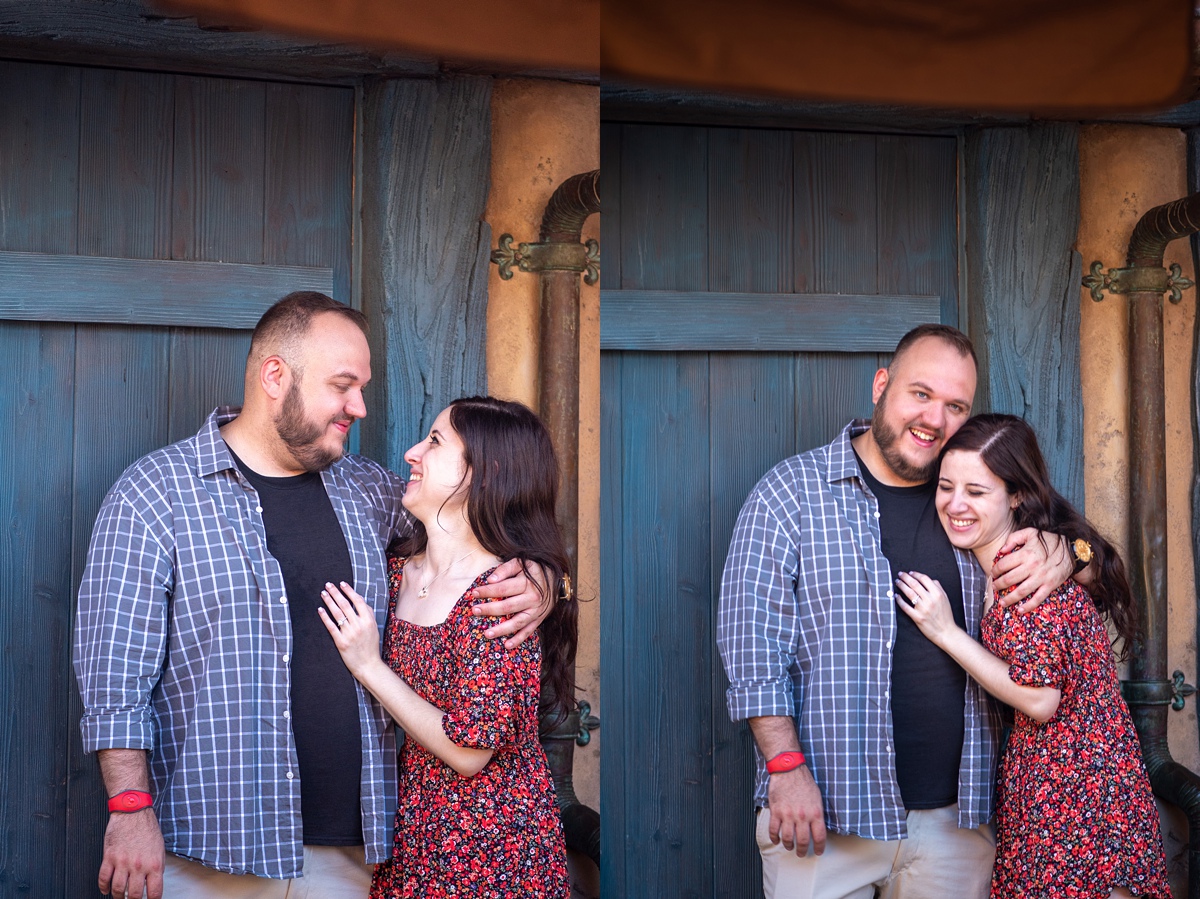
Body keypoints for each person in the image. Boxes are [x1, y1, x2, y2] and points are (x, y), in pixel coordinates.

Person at [74, 292, 553, 899]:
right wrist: (130, 809)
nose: (359, 406)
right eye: (343, 386)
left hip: (359, 855)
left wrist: (542, 577)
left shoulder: (372, 494)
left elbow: (477, 541)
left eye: (363, 388)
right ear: (276, 375)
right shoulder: (154, 496)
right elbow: (114, 681)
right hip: (212, 848)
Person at [717, 323, 1091, 899]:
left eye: (955, 406)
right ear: (881, 385)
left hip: (959, 821)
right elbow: (752, 650)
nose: (935, 420)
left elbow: (1101, 563)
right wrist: (785, 769)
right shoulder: (789, 494)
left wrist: (1071, 551)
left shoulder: (978, 493)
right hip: (826, 819)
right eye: (921, 394)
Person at [895, 414, 1170, 899]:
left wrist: (946, 632)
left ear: (1016, 495)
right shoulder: (1025, 554)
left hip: (1077, 793)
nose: (955, 504)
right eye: (945, 486)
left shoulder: (1022, 571)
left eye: (977, 492)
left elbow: (1041, 699)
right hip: (1059, 782)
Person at [319, 396, 574, 897]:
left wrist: (370, 666)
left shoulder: (500, 593)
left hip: (496, 854)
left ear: (485, 472)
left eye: (435, 442)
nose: (412, 453)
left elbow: (468, 749)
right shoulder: (395, 574)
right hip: (415, 841)